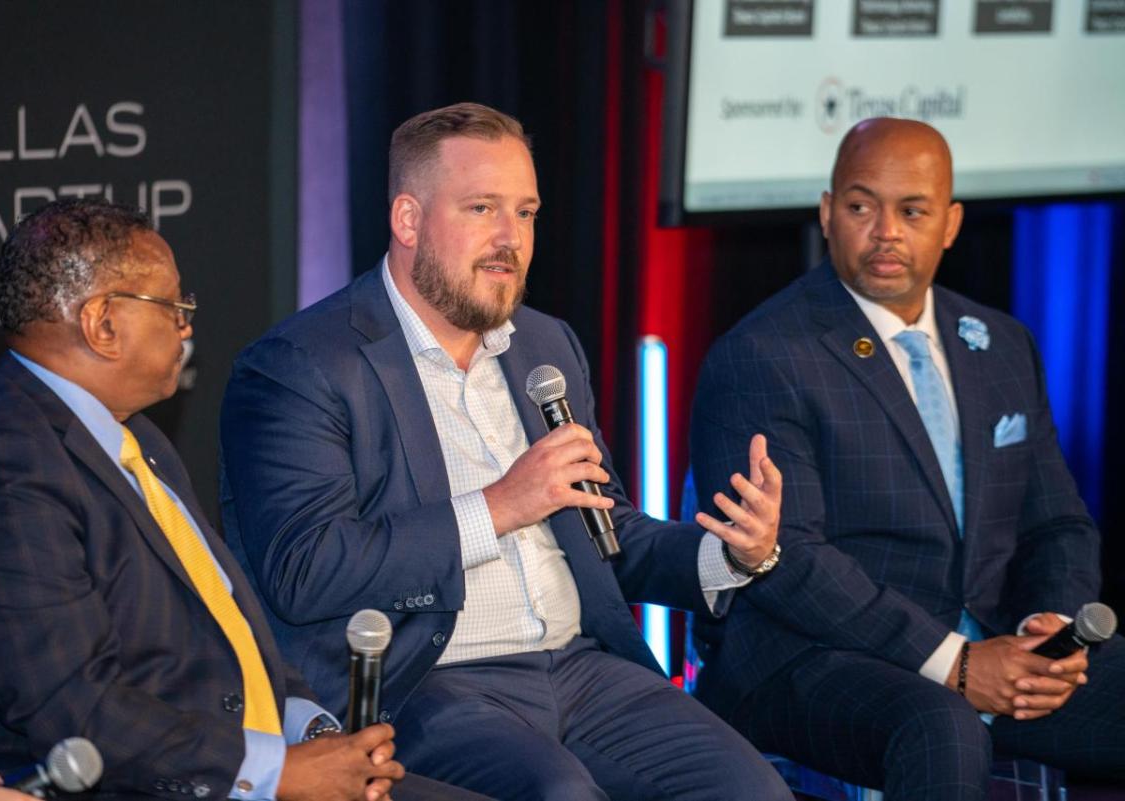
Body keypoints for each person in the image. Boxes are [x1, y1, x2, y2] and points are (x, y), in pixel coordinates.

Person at [219, 102, 791, 801]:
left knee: (752, 790)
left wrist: (731, 553)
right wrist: (498, 507)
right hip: (430, 679)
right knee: (562, 795)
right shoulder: (302, 365)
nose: (509, 239)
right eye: (482, 208)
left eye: (525, 213)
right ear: (408, 220)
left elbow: (610, 536)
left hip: (584, 668)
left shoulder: (545, 346)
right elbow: (304, 568)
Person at [689, 117, 1125, 800]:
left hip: (992, 641)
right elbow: (788, 558)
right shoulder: (763, 356)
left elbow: (1058, 525)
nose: (886, 230)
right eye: (862, 206)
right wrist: (956, 661)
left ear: (950, 224)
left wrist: (1052, 630)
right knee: (944, 725)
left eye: (912, 210)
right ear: (828, 214)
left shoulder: (1004, 345)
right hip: (816, 657)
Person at [0, 198, 410, 801]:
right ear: (102, 324)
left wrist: (309, 728)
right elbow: (77, 712)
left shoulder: (130, 434)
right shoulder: (3, 470)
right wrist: (280, 773)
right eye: (174, 306)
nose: (186, 325)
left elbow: (224, 620)